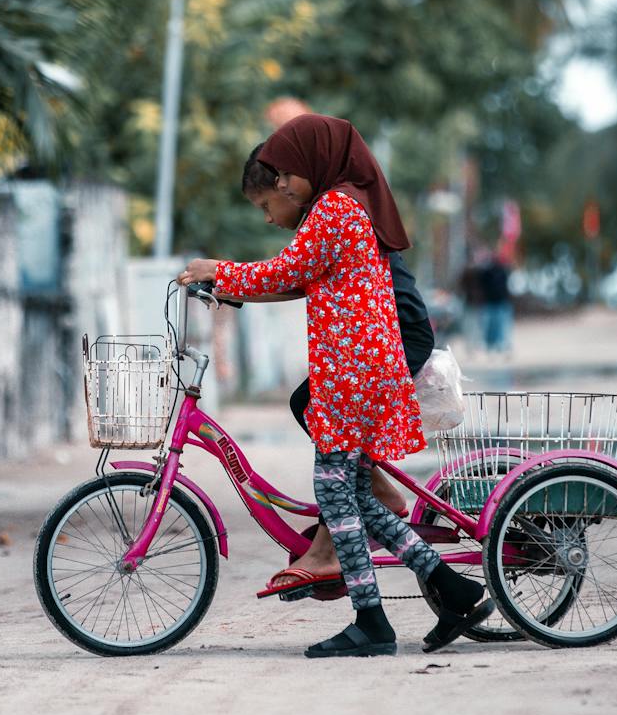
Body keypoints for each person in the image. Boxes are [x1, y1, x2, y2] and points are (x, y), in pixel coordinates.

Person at [178, 116, 490, 657]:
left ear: (302, 170)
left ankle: (374, 620)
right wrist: (227, 285)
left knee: (336, 490)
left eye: (280, 183)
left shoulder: (336, 208)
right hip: (353, 367)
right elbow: (299, 278)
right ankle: (451, 588)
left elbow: (283, 273)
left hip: (355, 371)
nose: (277, 195)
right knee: (346, 493)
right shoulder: (340, 207)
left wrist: (217, 269)